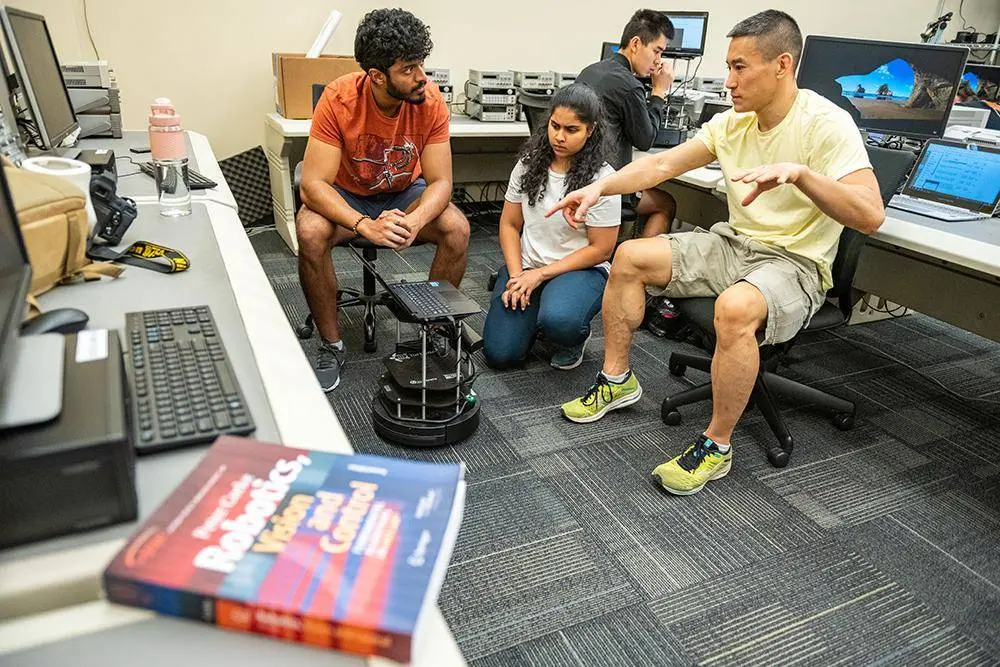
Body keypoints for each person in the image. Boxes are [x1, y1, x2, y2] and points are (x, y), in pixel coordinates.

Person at [550, 10, 884, 495]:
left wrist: (802, 175)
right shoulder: (732, 124)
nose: (727, 81)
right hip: (734, 246)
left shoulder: (826, 125)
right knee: (628, 257)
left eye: (739, 67)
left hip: (794, 263)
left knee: (734, 310)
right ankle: (618, 380)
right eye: (727, 67)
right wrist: (598, 191)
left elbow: (870, 216)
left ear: (782, 65)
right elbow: (661, 164)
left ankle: (717, 445)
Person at [296, 8, 470, 391]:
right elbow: (312, 185)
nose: (421, 77)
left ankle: (433, 332)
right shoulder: (339, 99)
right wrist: (363, 225)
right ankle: (331, 343)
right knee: (309, 231)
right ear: (376, 76)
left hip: (405, 192)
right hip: (348, 195)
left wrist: (418, 218)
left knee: (457, 227)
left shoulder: (431, 101)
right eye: (408, 69)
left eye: (421, 64)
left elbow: (441, 181)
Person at [482, 84, 621, 370]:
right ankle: (534, 316)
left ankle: (572, 335)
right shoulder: (528, 165)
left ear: (590, 130)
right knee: (500, 354)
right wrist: (517, 275)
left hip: (578, 270)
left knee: (561, 321)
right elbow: (509, 224)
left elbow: (602, 249)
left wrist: (541, 276)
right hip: (527, 266)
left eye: (572, 130)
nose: (559, 137)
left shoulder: (603, 179)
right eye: (555, 126)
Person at [576, 9, 678, 240]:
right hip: (608, 188)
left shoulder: (590, 71)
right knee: (666, 203)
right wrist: (659, 91)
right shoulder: (628, 85)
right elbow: (645, 140)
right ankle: (637, 262)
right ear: (635, 44)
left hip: (577, 177)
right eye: (657, 51)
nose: (658, 60)